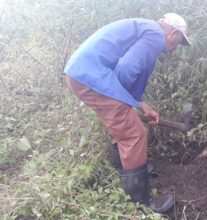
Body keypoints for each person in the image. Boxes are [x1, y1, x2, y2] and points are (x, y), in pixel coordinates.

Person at [63, 13, 191, 213]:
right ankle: (141, 204)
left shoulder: (146, 29)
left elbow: (124, 70)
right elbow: (126, 69)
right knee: (134, 134)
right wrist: (124, 104)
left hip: (82, 74)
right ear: (173, 33)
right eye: (179, 42)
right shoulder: (155, 36)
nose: (175, 49)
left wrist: (141, 106)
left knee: (123, 127)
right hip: (92, 77)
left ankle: (127, 171)